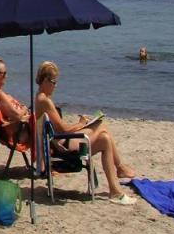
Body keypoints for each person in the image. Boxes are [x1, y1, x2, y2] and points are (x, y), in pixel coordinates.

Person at [34, 60, 137, 204]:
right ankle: (119, 168)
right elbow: (62, 129)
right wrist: (81, 124)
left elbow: (58, 128)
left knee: (105, 139)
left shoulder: (40, 98)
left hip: (60, 141)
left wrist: (81, 125)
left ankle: (115, 191)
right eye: (53, 82)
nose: (55, 86)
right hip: (64, 146)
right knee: (101, 125)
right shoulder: (44, 100)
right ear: (45, 80)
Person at [0, 57, 31, 148]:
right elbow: (17, 116)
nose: (6, 77)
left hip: (3, 133)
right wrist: (25, 108)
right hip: (17, 133)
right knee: (43, 124)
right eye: (4, 74)